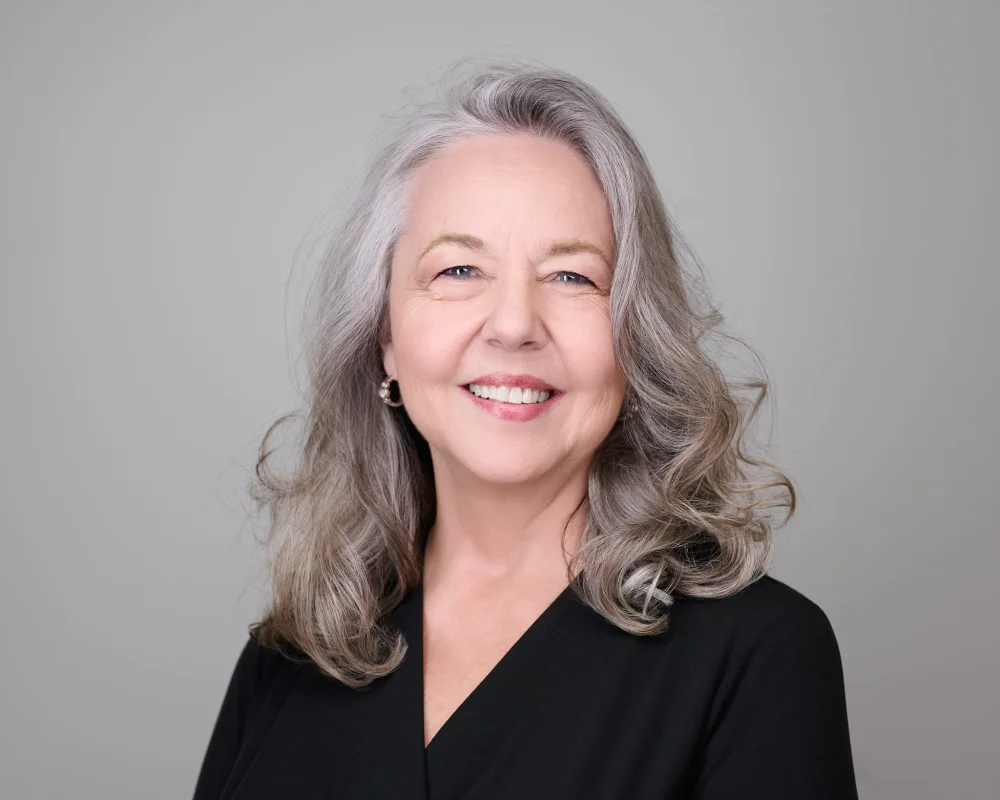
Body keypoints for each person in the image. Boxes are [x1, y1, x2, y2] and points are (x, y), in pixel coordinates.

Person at [192, 60, 860, 799]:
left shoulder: (757, 656)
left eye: (573, 277)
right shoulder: (296, 653)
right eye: (457, 271)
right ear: (386, 334)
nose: (513, 325)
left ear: (634, 339)